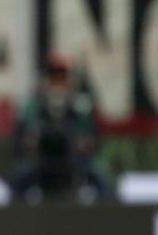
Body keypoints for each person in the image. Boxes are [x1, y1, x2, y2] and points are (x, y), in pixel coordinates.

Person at [10, 53, 108, 203]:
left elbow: (95, 140)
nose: (57, 83)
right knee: (17, 180)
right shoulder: (32, 109)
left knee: (101, 180)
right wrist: (31, 143)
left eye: (62, 78)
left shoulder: (82, 108)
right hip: (40, 163)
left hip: (75, 163)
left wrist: (83, 145)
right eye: (53, 78)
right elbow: (18, 141)